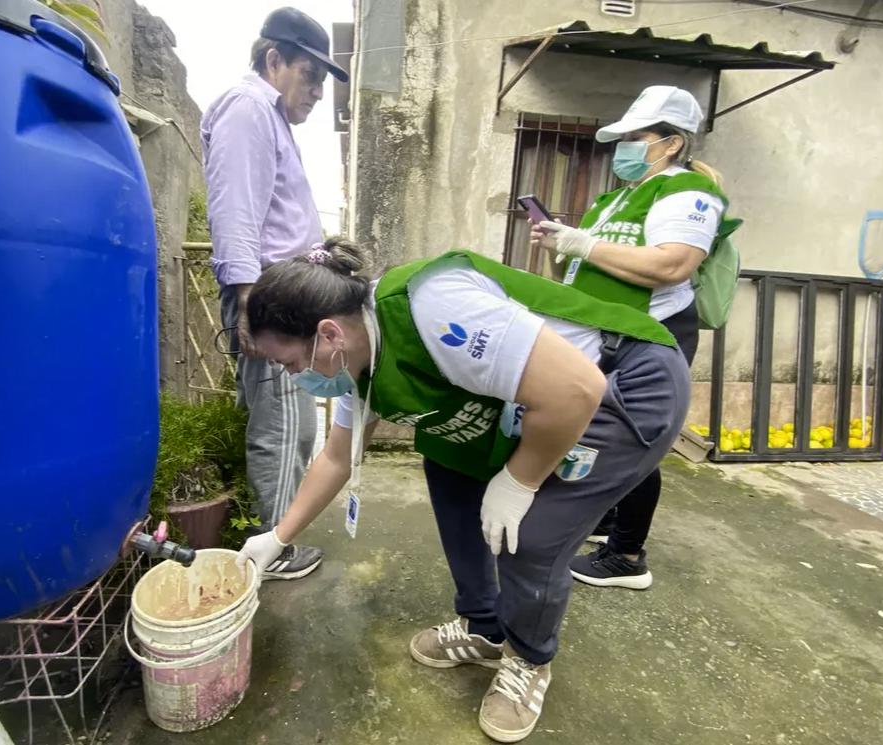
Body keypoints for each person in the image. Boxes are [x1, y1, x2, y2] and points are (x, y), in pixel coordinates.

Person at [235, 239, 690, 742]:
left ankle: (528, 658)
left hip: (624, 382)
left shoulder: (434, 308)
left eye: (290, 362)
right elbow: (338, 458)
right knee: (449, 464)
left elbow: (575, 390)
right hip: (543, 400)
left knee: (531, 534)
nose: (293, 376)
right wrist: (277, 537)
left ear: (328, 333)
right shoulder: (356, 362)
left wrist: (518, 481)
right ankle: (484, 626)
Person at [530, 85, 738, 591]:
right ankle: (607, 519)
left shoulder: (688, 192)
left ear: (672, 143)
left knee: (633, 438)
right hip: (604, 334)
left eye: (635, 138)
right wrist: (559, 246)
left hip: (647, 336)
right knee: (596, 431)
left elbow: (672, 264)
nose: (622, 148)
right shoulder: (615, 198)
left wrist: (583, 243)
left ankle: (627, 556)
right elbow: (583, 268)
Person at [200, 7, 348, 580]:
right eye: (311, 75)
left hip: (279, 295)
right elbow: (236, 209)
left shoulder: (269, 117)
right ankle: (275, 547)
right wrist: (249, 300)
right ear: (274, 60)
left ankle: (272, 531)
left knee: (289, 421)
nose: (317, 92)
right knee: (284, 427)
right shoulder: (249, 107)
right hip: (269, 296)